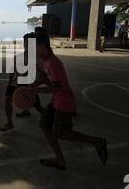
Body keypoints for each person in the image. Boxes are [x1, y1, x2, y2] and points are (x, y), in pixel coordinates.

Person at [28, 33, 108, 171]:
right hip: (56, 101)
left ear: (42, 47)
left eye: (33, 47)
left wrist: (36, 91)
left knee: (63, 133)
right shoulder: (46, 60)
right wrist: (35, 85)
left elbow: (57, 87)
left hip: (64, 102)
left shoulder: (53, 63)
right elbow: (48, 79)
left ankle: (97, 142)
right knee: (45, 125)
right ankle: (60, 159)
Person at [0, 32, 47, 132]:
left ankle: (52, 118)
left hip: (30, 85)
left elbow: (45, 76)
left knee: (37, 107)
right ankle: (9, 123)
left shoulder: (39, 58)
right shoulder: (18, 57)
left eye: (30, 43)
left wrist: (37, 85)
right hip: (17, 83)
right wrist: (9, 83)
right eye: (25, 42)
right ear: (24, 43)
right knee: (8, 100)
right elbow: (13, 71)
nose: (27, 45)